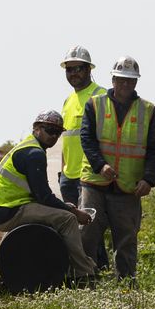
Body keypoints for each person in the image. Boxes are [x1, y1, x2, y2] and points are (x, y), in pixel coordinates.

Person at [0, 110, 98, 283]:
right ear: (36, 128)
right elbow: (44, 197)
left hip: (2, 209)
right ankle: (83, 273)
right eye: (49, 130)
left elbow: (41, 195)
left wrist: (63, 205)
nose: (53, 136)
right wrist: (73, 211)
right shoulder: (34, 154)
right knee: (67, 219)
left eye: (58, 133)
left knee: (62, 212)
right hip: (8, 210)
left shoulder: (29, 146)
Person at [79, 55, 155, 281]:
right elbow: (86, 139)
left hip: (129, 186)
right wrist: (100, 165)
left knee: (126, 237)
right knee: (87, 232)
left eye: (130, 80)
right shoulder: (95, 104)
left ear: (136, 82)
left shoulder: (148, 110)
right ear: (113, 79)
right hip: (95, 182)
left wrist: (149, 179)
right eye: (121, 79)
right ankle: (83, 279)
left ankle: (126, 282)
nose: (125, 85)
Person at [56, 46, 101, 209]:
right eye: (69, 69)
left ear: (89, 69)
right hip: (68, 177)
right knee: (72, 225)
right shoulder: (68, 101)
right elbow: (66, 139)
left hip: (90, 175)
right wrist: (62, 173)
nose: (73, 73)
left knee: (89, 225)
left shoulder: (100, 96)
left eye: (78, 68)